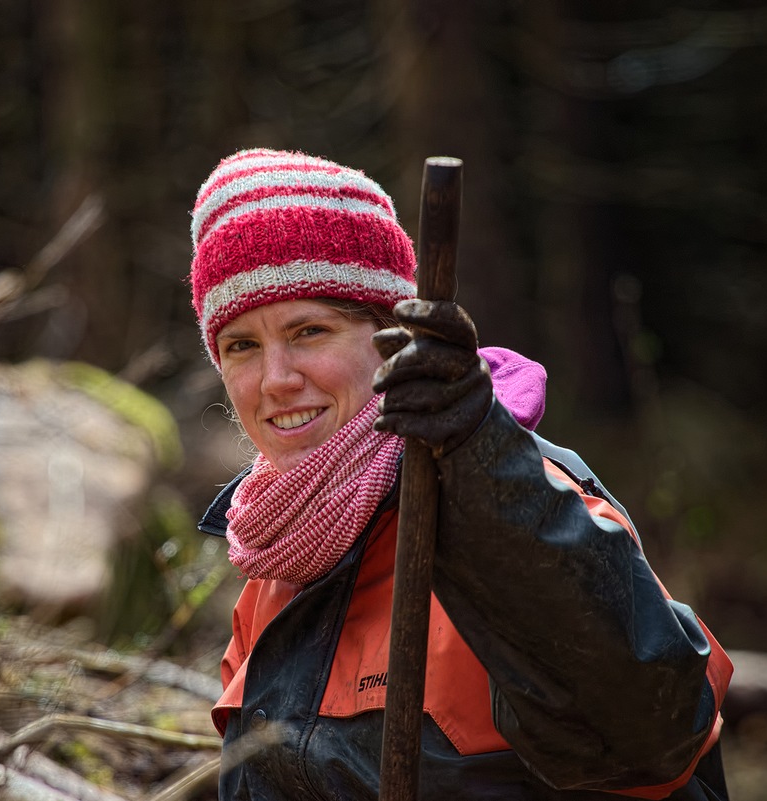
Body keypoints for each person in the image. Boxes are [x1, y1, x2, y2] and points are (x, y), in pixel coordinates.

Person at [188, 148, 733, 800]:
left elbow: (650, 734)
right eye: (241, 345)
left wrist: (479, 461)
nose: (275, 379)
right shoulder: (276, 554)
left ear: (393, 335)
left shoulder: (528, 498)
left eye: (309, 330)